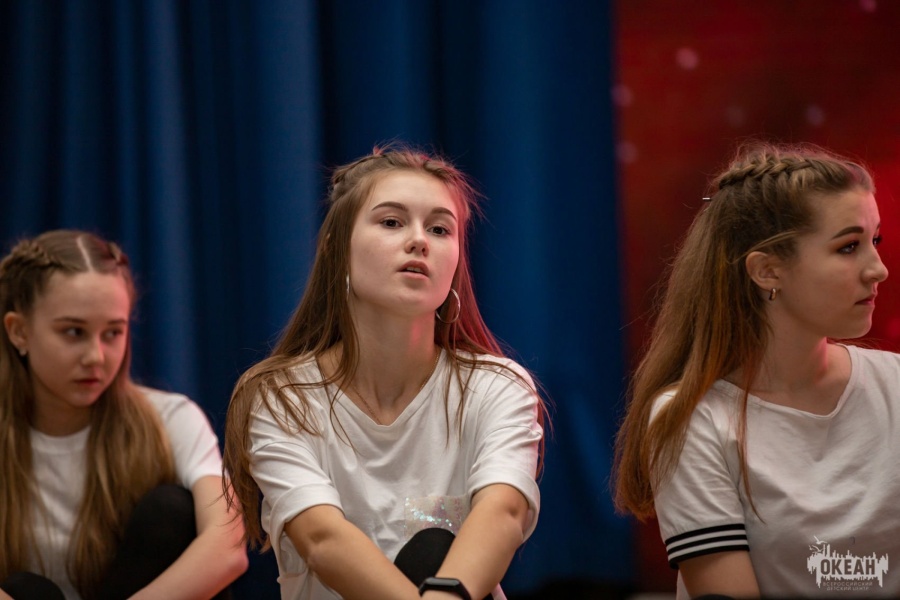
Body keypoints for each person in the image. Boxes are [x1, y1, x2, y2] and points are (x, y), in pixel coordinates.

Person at [223, 145, 545, 600]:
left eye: (439, 229)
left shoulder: (498, 387)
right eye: (392, 222)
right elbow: (321, 538)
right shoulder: (282, 397)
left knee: (432, 548)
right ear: (337, 248)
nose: (419, 241)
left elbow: (504, 512)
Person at [613, 141, 900, 598]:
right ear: (767, 271)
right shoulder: (693, 418)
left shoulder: (894, 386)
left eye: (875, 241)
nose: (878, 269)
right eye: (849, 247)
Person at [0, 230, 248, 600]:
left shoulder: (171, 417)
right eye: (73, 332)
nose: (96, 357)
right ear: (19, 332)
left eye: (113, 333)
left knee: (172, 511)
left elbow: (227, 546)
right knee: (26, 591)